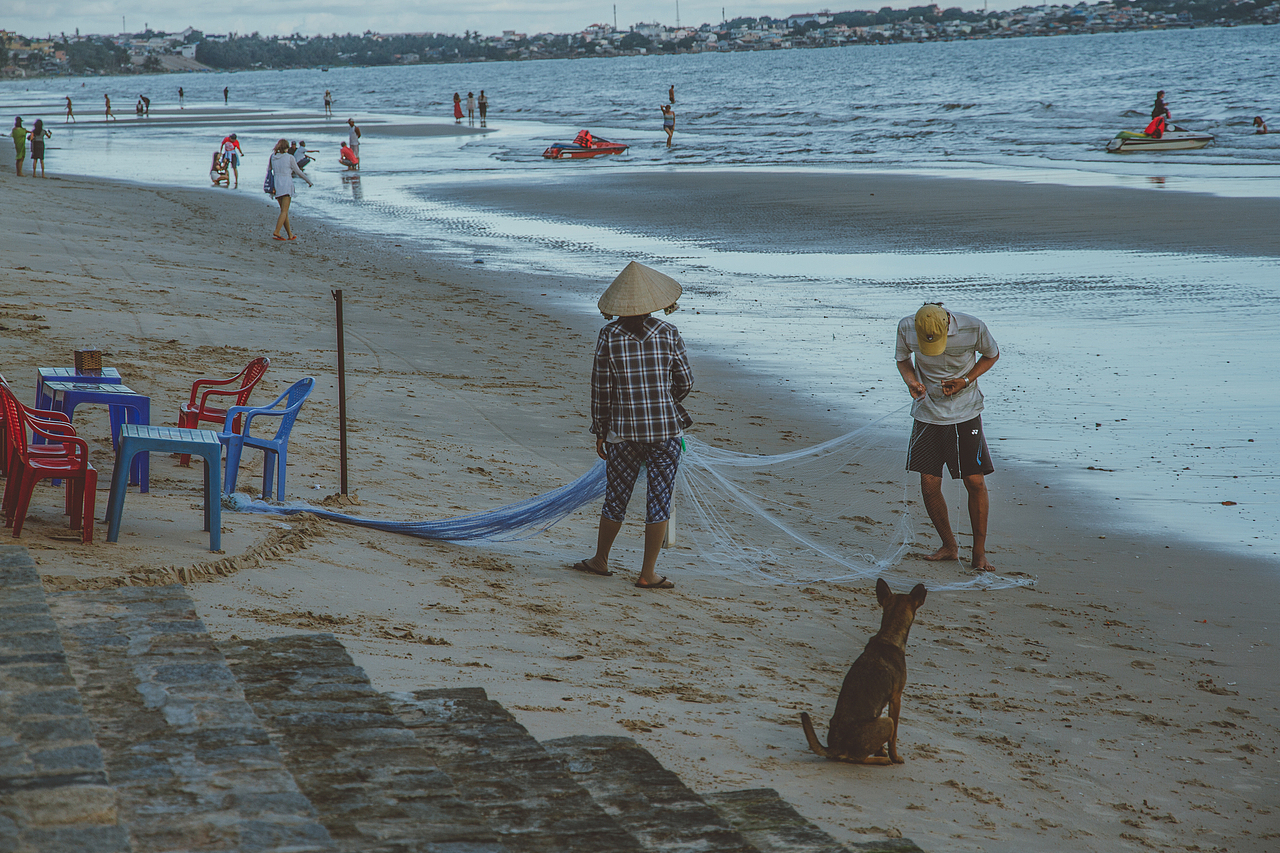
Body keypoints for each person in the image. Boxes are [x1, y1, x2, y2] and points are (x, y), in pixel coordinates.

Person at [574, 261, 694, 591]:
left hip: (622, 434)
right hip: (664, 432)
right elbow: (685, 381)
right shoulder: (669, 333)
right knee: (659, 500)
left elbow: (601, 389)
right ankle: (648, 573)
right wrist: (665, 401)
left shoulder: (608, 336)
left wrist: (600, 430)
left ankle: (600, 560)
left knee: (616, 498)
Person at [895, 303, 1000, 572]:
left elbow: (992, 355)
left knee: (974, 481)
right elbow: (903, 360)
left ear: (948, 325)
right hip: (927, 414)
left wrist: (965, 380)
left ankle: (979, 553)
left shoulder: (972, 327)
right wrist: (911, 381)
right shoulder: (907, 327)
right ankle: (949, 546)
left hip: (966, 413)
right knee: (929, 484)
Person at [268, 138, 312, 240]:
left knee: (284, 211)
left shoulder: (272, 157)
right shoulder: (290, 157)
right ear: (287, 147)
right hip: (287, 185)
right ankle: (277, 231)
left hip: (277, 185)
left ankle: (290, 235)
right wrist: (308, 181)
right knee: (284, 211)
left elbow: (269, 171)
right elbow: (298, 172)